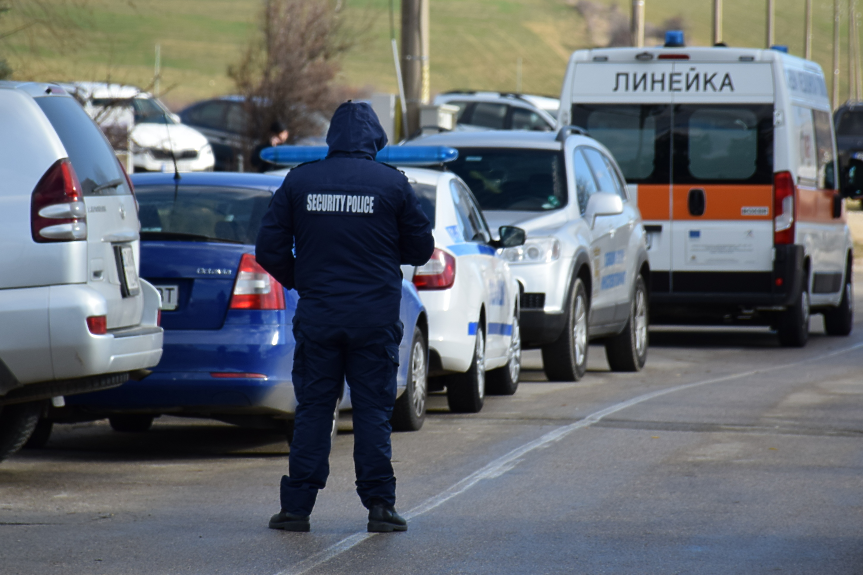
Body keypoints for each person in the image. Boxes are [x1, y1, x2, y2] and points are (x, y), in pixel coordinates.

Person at [255, 101, 434, 533]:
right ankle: (380, 507)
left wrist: (302, 280)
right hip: (374, 320)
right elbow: (421, 249)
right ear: (375, 138)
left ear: (332, 136)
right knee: (373, 412)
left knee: (315, 409)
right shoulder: (392, 185)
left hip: (320, 317)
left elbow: (268, 250)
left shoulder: (301, 180)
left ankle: (297, 508)